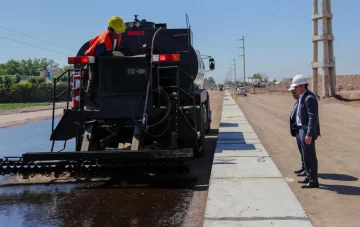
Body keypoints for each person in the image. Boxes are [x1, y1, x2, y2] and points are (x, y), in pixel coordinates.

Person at [84, 15, 126, 107]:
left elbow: (116, 47)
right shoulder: (104, 39)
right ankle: (90, 101)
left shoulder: (117, 35)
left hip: (106, 60)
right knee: (94, 79)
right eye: (118, 31)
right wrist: (112, 54)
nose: (119, 33)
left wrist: (118, 53)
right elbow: (100, 54)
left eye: (120, 31)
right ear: (111, 29)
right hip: (94, 59)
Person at [291, 74, 321, 188]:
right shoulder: (303, 96)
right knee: (305, 155)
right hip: (302, 129)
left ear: (302, 86)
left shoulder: (309, 98)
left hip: (306, 131)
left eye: (296, 87)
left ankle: (314, 181)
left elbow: (313, 118)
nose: (295, 89)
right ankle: (308, 176)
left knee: (310, 156)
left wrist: (309, 134)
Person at [288, 84, 305, 177]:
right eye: (292, 93)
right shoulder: (298, 102)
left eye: (294, 92)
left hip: (302, 130)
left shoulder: (304, 101)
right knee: (301, 150)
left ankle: (307, 170)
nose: (293, 94)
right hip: (298, 130)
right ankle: (303, 167)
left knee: (305, 151)